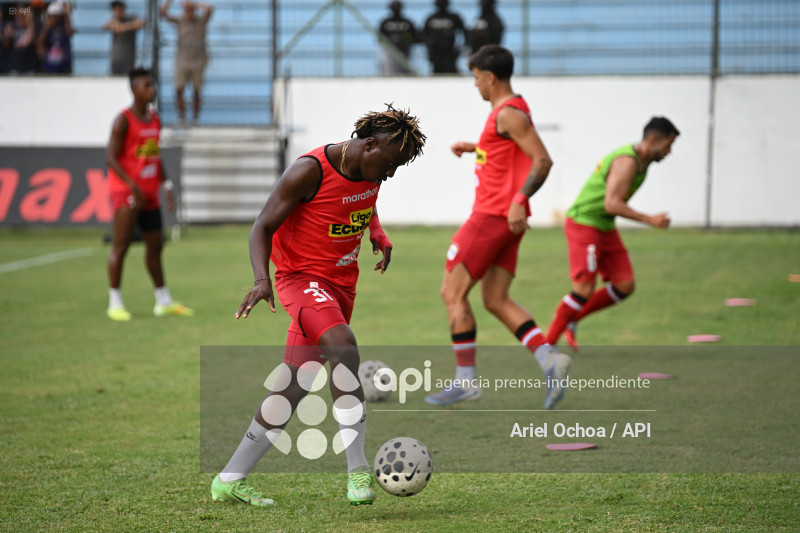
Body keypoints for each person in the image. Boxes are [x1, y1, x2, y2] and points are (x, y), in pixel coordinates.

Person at [210, 105, 426, 507]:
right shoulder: (308, 171)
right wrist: (262, 280)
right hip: (301, 280)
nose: (390, 174)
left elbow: (366, 198)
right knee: (343, 344)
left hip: (342, 287)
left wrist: (375, 232)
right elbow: (262, 226)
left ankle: (229, 478)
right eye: (390, 164)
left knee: (292, 386)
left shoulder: (369, 167)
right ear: (370, 144)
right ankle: (358, 470)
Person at [424, 45, 572, 410]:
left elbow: (542, 160)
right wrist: (476, 147)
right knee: (495, 299)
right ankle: (550, 360)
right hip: (506, 222)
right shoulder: (512, 111)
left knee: (452, 291)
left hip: (492, 217)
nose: (475, 85)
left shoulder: (507, 114)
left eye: (475, 78)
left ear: (490, 77)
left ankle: (466, 383)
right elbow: (509, 150)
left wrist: (520, 199)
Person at [545, 117, 680, 350]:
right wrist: (650, 219)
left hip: (604, 226)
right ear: (652, 140)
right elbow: (612, 204)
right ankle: (546, 347)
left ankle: (572, 319)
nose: (669, 152)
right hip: (585, 223)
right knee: (583, 290)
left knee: (625, 285)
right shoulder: (627, 161)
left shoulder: (642, 161)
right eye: (667, 145)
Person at [105, 67, 194, 321]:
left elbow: (154, 153)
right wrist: (131, 185)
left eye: (152, 85)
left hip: (150, 193)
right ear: (134, 89)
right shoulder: (123, 120)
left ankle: (163, 301)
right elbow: (110, 157)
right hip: (127, 192)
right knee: (120, 246)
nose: (151, 90)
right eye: (146, 85)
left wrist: (166, 184)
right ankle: (115, 302)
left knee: (155, 245)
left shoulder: (155, 119)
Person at [159, 0, 213, 126]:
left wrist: (194, 4)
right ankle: (182, 118)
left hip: (198, 61)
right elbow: (162, 13)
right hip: (182, 61)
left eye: (191, 9)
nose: (189, 12)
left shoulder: (201, 21)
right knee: (179, 89)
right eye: (187, 9)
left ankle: (195, 118)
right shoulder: (180, 21)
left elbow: (210, 9)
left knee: (196, 91)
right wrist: (169, 2)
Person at [422, 0, 466, 74]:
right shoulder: (431, 18)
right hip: (435, 53)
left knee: (451, 73)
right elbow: (424, 35)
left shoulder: (453, 17)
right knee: (437, 74)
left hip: (450, 53)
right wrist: (429, 47)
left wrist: (461, 47)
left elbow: (464, 32)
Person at [102, 1, 144, 75]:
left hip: (128, 58)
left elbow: (140, 23)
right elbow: (105, 27)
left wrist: (123, 27)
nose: (117, 11)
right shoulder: (113, 21)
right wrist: (116, 21)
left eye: (119, 8)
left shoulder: (131, 18)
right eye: (115, 9)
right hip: (116, 58)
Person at [378, 1, 418, 76]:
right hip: (390, 52)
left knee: (405, 72)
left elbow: (415, 37)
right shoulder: (386, 23)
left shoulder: (407, 23)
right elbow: (380, 38)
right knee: (390, 71)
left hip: (405, 51)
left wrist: (405, 40)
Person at [37, 0, 73, 74]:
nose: (53, 18)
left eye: (56, 15)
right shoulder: (46, 28)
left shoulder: (63, 25)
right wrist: (47, 27)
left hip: (63, 66)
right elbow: (40, 41)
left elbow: (69, 32)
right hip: (49, 66)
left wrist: (67, 16)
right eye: (52, 15)